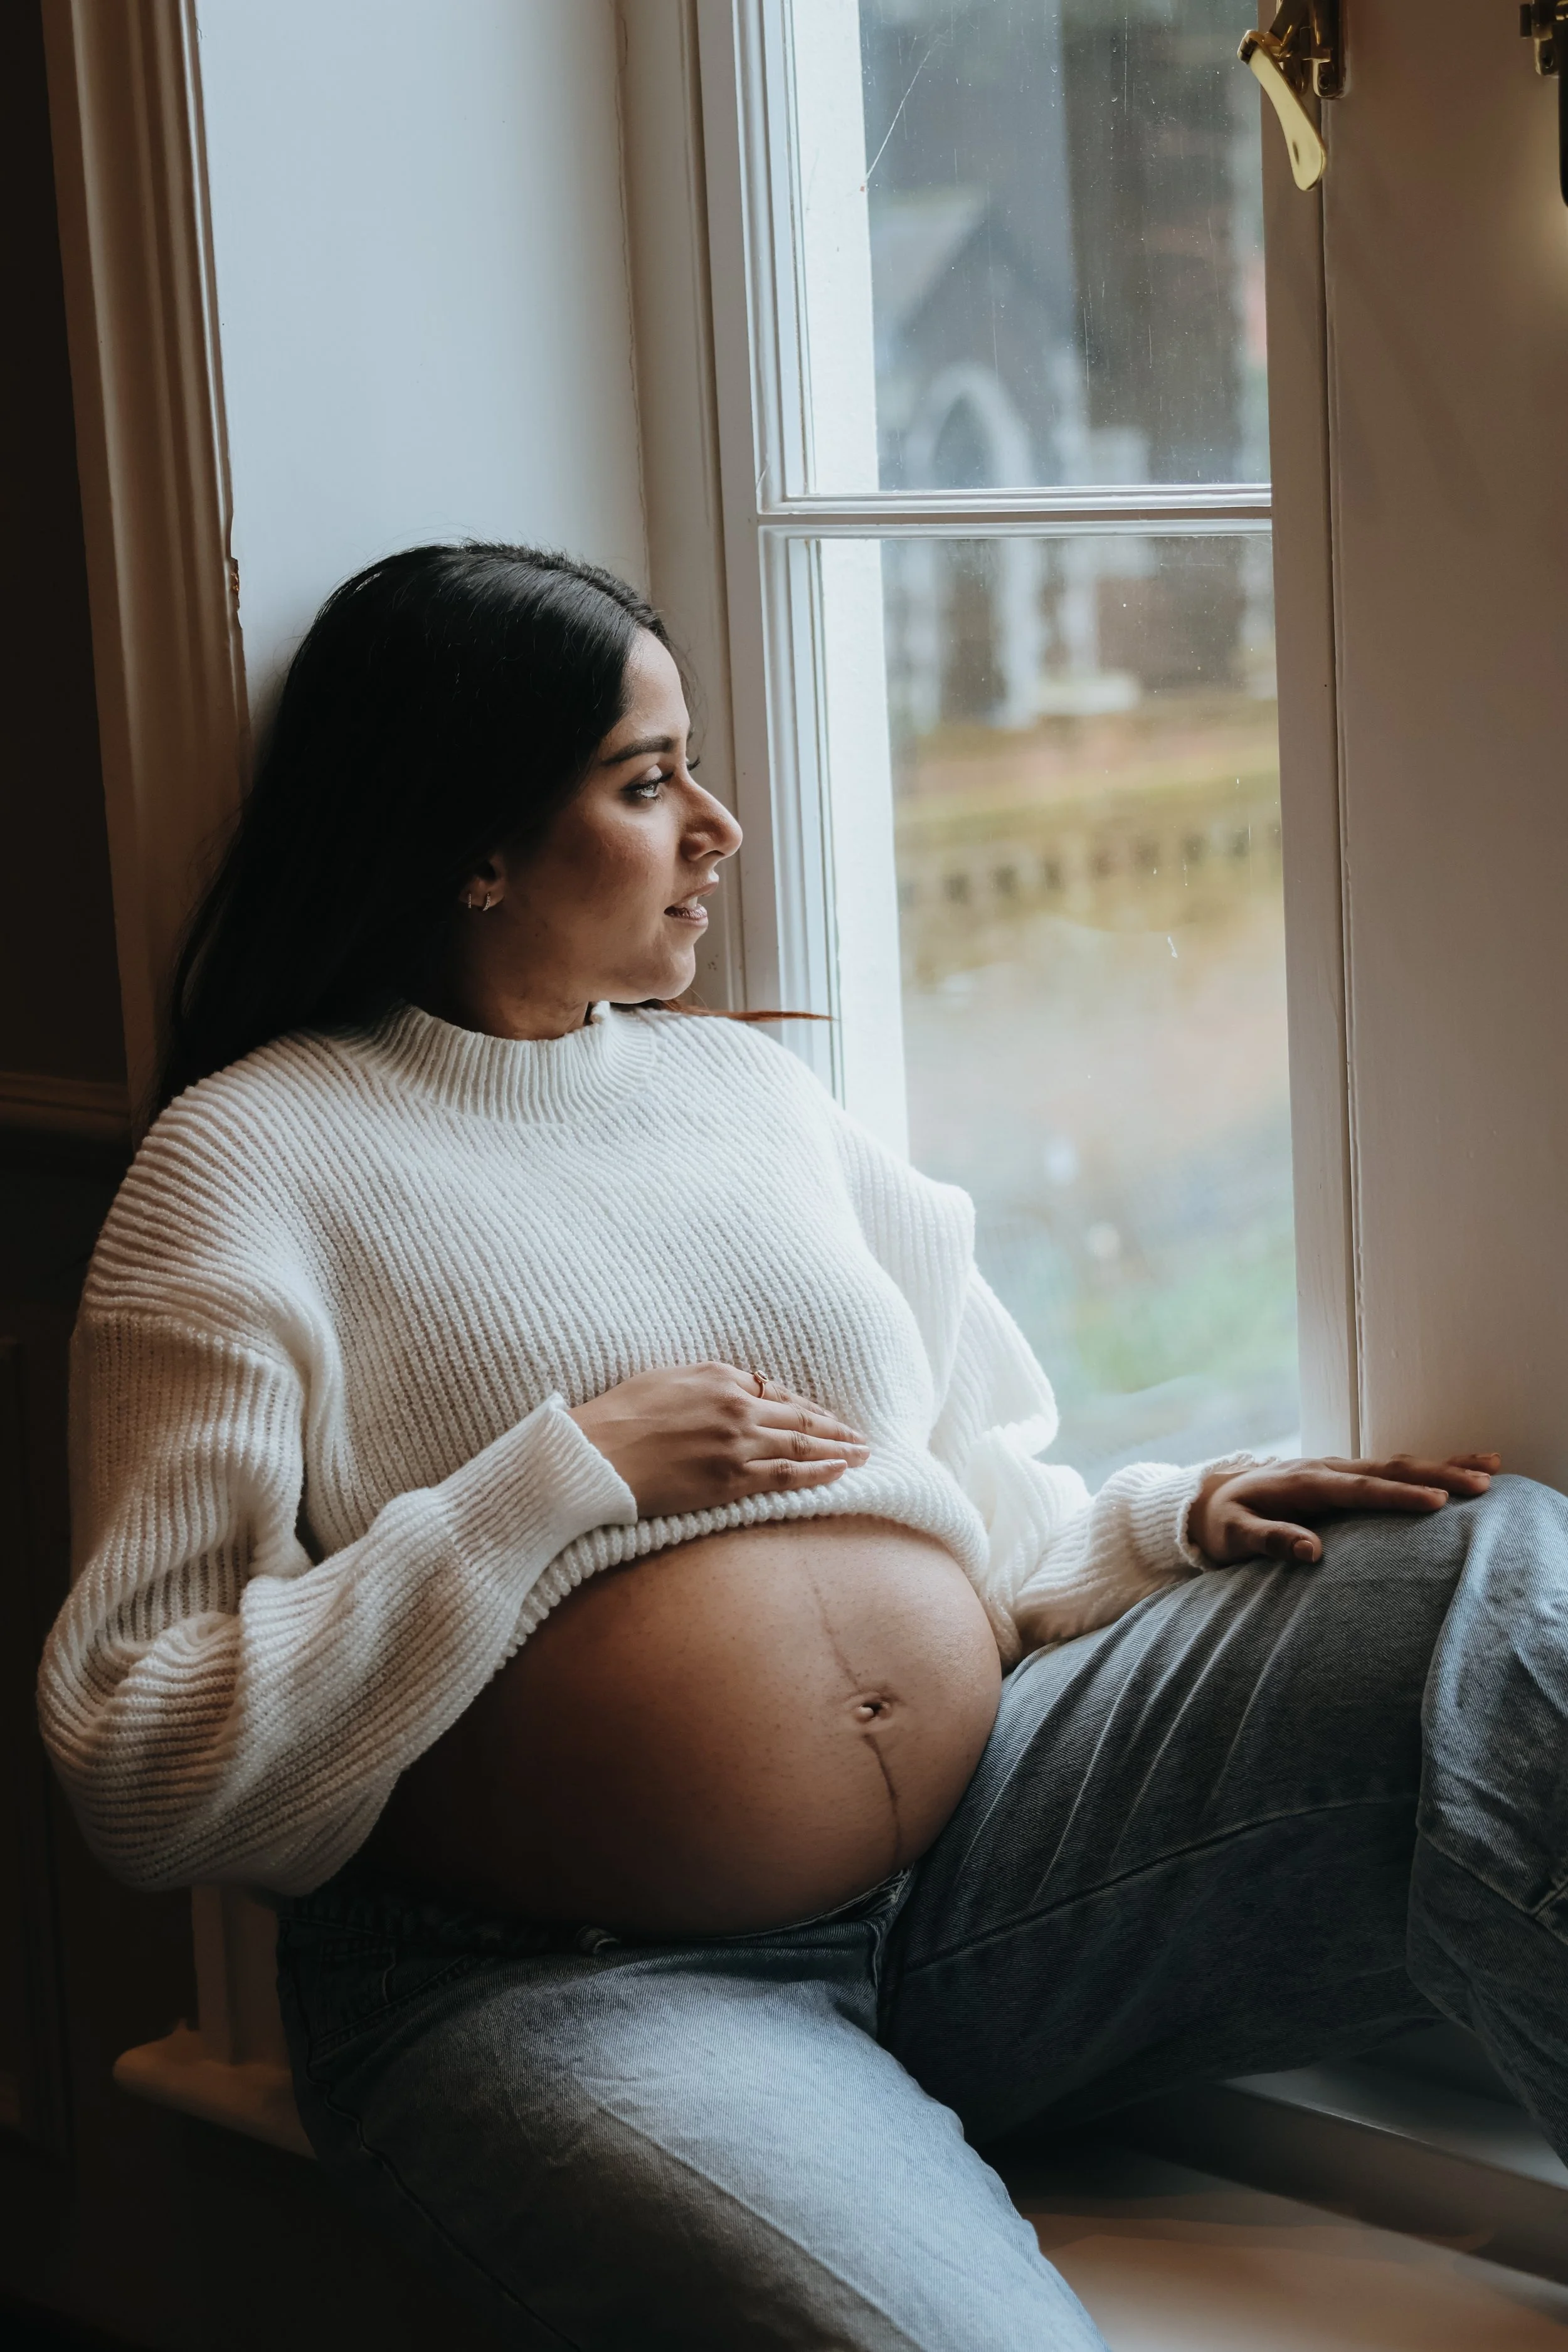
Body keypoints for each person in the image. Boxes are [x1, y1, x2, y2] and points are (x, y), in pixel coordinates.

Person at [38, 543, 1567, 2350]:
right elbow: (141, 1754)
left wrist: (1167, 1520)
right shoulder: (249, 1158)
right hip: (575, 1992)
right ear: (474, 841)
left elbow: (971, 1483)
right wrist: (561, 1476)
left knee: (1485, 1563)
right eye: (645, 781)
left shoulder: (746, 1091)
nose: (720, 825)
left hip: (999, 1872)